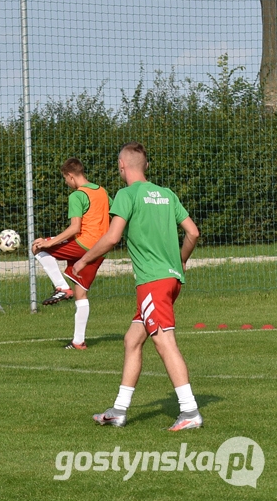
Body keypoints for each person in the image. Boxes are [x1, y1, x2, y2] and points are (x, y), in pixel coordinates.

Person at [74, 142, 201, 431]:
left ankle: (190, 410)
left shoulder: (127, 194)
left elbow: (112, 238)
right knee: (133, 340)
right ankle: (118, 410)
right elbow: (193, 232)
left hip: (152, 282)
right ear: (146, 166)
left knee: (164, 341)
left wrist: (82, 261)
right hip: (170, 279)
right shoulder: (167, 195)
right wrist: (178, 263)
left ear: (121, 165)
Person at [32, 158, 112, 350]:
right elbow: (116, 213)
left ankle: (61, 287)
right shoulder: (101, 191)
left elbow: (75, 227)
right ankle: (78, 342)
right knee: (80, 292)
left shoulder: (77, 195)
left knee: (37, 247)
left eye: (65, 179)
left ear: (70, 175)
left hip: (84, 244)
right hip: (101, 248)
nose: (66, 183)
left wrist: (49, 242)